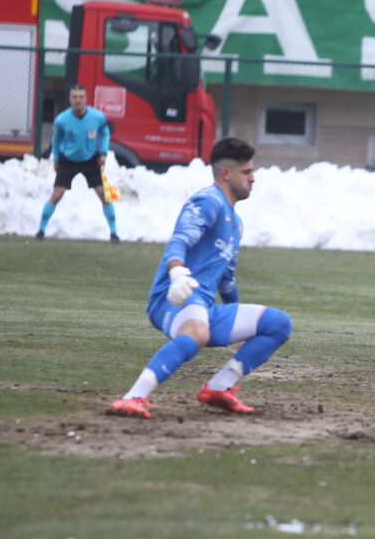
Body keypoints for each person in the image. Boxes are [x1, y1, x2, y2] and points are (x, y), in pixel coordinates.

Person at [107, 137, 293, 419]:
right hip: (173, 297)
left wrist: (238, 320)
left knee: (277, 323)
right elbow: (178, 242)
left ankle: (219, 387)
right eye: (247, 172)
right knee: (197, 333)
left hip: (203, 307)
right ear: (226, 173)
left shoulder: (235, 222)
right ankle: (132, 397)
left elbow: (226, 279)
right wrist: (177, 271)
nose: (253, 179)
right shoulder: (207, 201)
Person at [37, 85, 117, 242]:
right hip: (68, 161)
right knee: (56, 195)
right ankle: (40, 231)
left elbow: (105, 132)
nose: (78, 100)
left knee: (104, 195)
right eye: (74, 97)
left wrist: (103, 153)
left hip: (90, 160)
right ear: (70, 99)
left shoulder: (98, 117)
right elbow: (56, 140)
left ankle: (114, 233)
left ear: (86, 99)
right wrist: (57, 159)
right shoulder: (61, 120)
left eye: (81, 97)